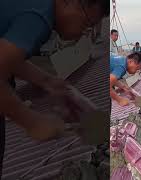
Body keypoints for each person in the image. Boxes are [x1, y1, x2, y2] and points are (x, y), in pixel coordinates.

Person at [0, 0, 108, 176]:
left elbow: (8, 57)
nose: (82, 34)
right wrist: (31, 121)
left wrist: (47, 81)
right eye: (86, 24)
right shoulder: (39, 17)